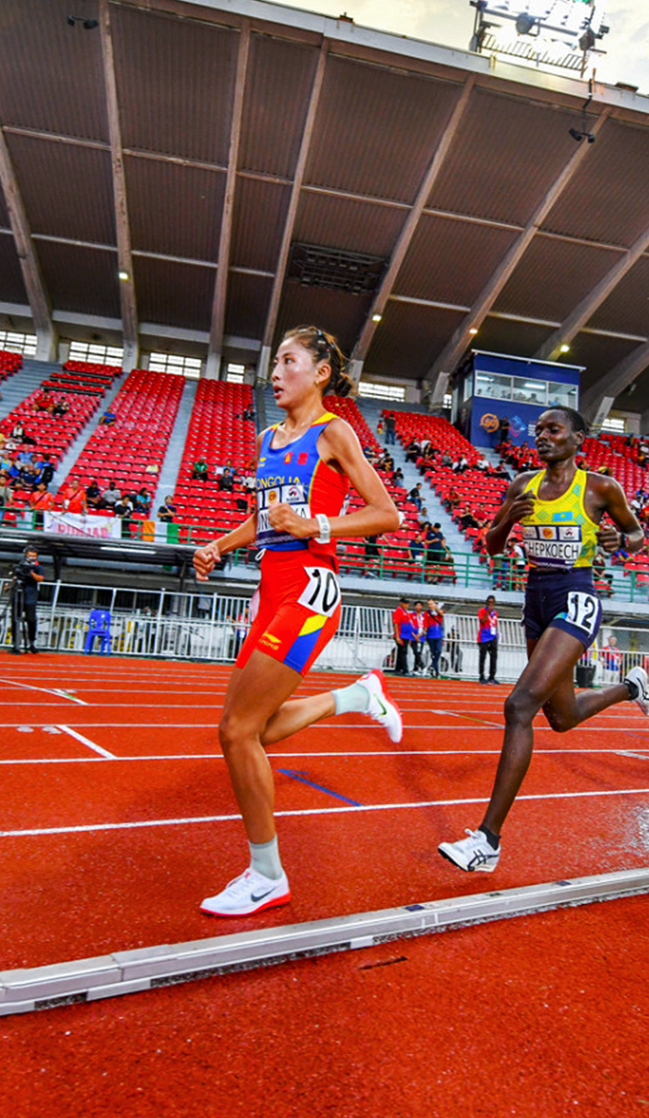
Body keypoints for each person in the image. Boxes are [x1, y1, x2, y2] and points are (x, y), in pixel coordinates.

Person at [192, 326, 403, 919]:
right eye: (275, 362)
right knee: (250, 731)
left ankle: (266, 875)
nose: (276, 373)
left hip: (312, 591)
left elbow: (387, 514)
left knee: (236, 731)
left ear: (320, 374)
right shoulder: (267, 438)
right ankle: (358, 696)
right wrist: (219, 545)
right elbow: (265, 520)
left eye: (289, 361)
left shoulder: (333, 432)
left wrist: (319, 525)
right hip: (272, 587)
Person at [439, 406, 649, 874]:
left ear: (579, 437)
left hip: (576, 593)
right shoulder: (522, 485)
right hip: (534, 596)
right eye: (538, 431)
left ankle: (488, 840)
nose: (542, 436)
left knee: (519, 707)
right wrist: (506, 521)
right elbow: (492, 545)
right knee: (562, 716)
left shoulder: (599, 488)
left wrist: (624, 542)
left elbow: (637, 533)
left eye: (553, 429)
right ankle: (629, 688)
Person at [12, 547, 44, 653]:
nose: (32, 557)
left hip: (31, 596)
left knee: (31, 619)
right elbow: (15, 576)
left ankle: (31, 642)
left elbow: (40, 578)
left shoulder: (38, 567)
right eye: (30, 555)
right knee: (15, 619)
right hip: (18, 595)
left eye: (34, 556)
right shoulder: (20, 565)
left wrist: (31, 573)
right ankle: (16, 644)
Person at [477, 594, 499, 684]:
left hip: (493, 636)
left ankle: (492, 676)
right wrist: (487, 612)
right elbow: (482, 621)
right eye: (489, 602)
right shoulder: (482, 611)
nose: (490, 604)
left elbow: (494, 624)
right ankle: (481, 676)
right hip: (483, 637)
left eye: (492, 603)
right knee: (483, 657)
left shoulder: (496, 613)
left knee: (493, 657)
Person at [424, 599, 445, 678]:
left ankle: (432, 666)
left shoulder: (439, 611)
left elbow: (441, 614)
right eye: (429, 604)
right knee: (433, 653)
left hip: (438, 635)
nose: (430, 606)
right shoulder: (426, 613)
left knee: (438, 651)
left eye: (431, 604)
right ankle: (436, 670)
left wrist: (436, 608)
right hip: (430, 635)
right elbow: (425, 623)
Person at [392, 597, 413, 675]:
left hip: (406, 636)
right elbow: (396, 624)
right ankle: (405, 669)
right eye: (405, 603)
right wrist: (397, 636)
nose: (407, 605)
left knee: (402, 652)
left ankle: (398, 668)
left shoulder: (405, 612)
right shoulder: (398, 611)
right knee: (403, 652)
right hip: (401, 635)